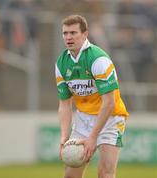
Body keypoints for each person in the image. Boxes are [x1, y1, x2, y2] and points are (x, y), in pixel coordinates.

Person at [55, 14, 129, 178]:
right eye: (65, 33)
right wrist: (64, 137)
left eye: (73, 33)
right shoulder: (61, 63)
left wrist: (93, 137)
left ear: (85, 34)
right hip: (83, 119)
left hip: (111, 117)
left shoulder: (98, 59)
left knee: (105, 173)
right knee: (70, 175)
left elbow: (109, 103)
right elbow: (64, 105)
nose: (68, 37)